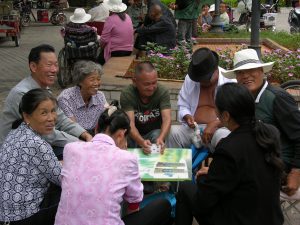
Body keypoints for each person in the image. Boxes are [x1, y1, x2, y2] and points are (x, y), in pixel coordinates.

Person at [175, 83, 284, 225]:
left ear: (225, 116)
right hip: (271, 218)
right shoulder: (270, 133)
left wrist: (204, 178)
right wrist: (215, 172)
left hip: (240, 219)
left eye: (216, 109)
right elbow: (249, 171)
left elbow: (204, 201)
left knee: (186, 188)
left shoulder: (229, 148)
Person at [54, 108, 172, 225]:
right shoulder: (126, 158)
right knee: (163, 205)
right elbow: (134, 201)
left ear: (96, 129)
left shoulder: (70, 149)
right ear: (121, 134)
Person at [221, 48, 300, 196]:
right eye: (240, 72)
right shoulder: (247, 97)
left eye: (251, 70)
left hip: (278, 163)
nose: (245, 76)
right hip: (258, 157)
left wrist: (296, 172)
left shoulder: (276, 98)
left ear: (262, 71)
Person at [0, 44, 92, 155]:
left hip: (38, 143)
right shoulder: (22, 94)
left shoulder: (45, 90)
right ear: (33, 67)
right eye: (49, 65)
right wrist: (80, 143)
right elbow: (47, 134)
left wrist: (84, 134)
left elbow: (61, 118)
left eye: (56, 65)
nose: (54, 70)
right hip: (16, 152)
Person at [0, 89, 62, 225]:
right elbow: (62, 179)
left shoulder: (16, 131)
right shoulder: (37, 144)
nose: (51, 118)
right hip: (23, 218)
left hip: (5, 215)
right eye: (44, 113)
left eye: (53, 111)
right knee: (72, 189)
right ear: (27, 117)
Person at [166, 48, 234, 149]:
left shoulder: (230, 81)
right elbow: (183, 105)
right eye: (199, 79)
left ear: (216, 69)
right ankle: (175, 164)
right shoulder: (190, 79)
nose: (202, 82)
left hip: (219, 129)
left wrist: (215, 124)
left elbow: (235, 113)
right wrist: (187, 116)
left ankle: (220, 164)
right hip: (193, 130)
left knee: (224, 137)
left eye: (205, 79)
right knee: (172, 133)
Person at [120, 61, 171, 154]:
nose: (151, 87)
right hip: (133, 134)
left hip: (154, 133)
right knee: (123, 137)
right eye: (147, 84)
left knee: (158, 135)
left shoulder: (162, 91)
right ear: (134, 81)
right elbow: (130, 124)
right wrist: (141, 142)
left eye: (154, 83)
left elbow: (167, 118)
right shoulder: (127, 94)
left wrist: (161, 138)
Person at [57, 60, 107, 135]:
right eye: (92, 79)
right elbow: (72, 128)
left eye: (98, 79)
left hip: (95, 135)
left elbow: (106, 120)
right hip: (74, 136)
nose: (96, 83)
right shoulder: (66, 98)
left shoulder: (100, 96)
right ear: (80, 81)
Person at [99, 0, 134, 65]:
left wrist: (101, 47)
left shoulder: (110, 19)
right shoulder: (128, 16)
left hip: (116, 51)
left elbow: (104, 39)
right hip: (129, 50)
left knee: (98, 62)